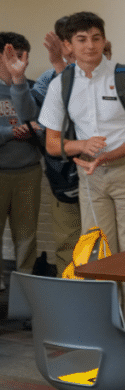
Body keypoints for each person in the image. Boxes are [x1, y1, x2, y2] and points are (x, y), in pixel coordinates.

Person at [38, 12, 125, 327]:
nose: (90, 45)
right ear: (69, 46)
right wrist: (81, 146)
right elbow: (52, 144)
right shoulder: (61, 84)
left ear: (104, 41)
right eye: (81, 39)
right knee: (98, 253)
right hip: (89, 174)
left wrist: (107, 155)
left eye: (95, 37)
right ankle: (107, 328)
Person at [32, 16, 82, 275]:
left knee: (100, 240)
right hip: (62, 174)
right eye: (72, 41)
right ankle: (70, 292)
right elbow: (36, 120)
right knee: (67, 240)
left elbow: (80, 106)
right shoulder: (47, 80)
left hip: (97, 169)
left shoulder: (101, 76)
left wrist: (60, 65)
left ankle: (102, 296)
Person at [0, 32, 42, 293]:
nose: (15, 61)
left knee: (26, 237)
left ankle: (24, 294)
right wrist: (9, 133)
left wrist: (19, 82)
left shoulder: (32, 87)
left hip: (28, 171)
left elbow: (37, 122)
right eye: (10, 56)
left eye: (21, 56)